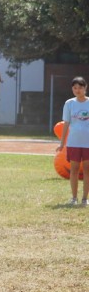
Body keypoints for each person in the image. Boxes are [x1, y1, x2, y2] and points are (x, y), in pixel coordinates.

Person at [56, 76, 89, 206]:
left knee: (87, 170)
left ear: (85, 88)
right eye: (75, 88)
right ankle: (74, 198)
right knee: (74, 170)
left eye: (80, 87)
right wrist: (62, 143)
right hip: (74, 142)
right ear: (72, 89)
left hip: (87, 143)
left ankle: (85, 199)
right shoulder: (69, 103)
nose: (77, 90)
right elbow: (66, 123)